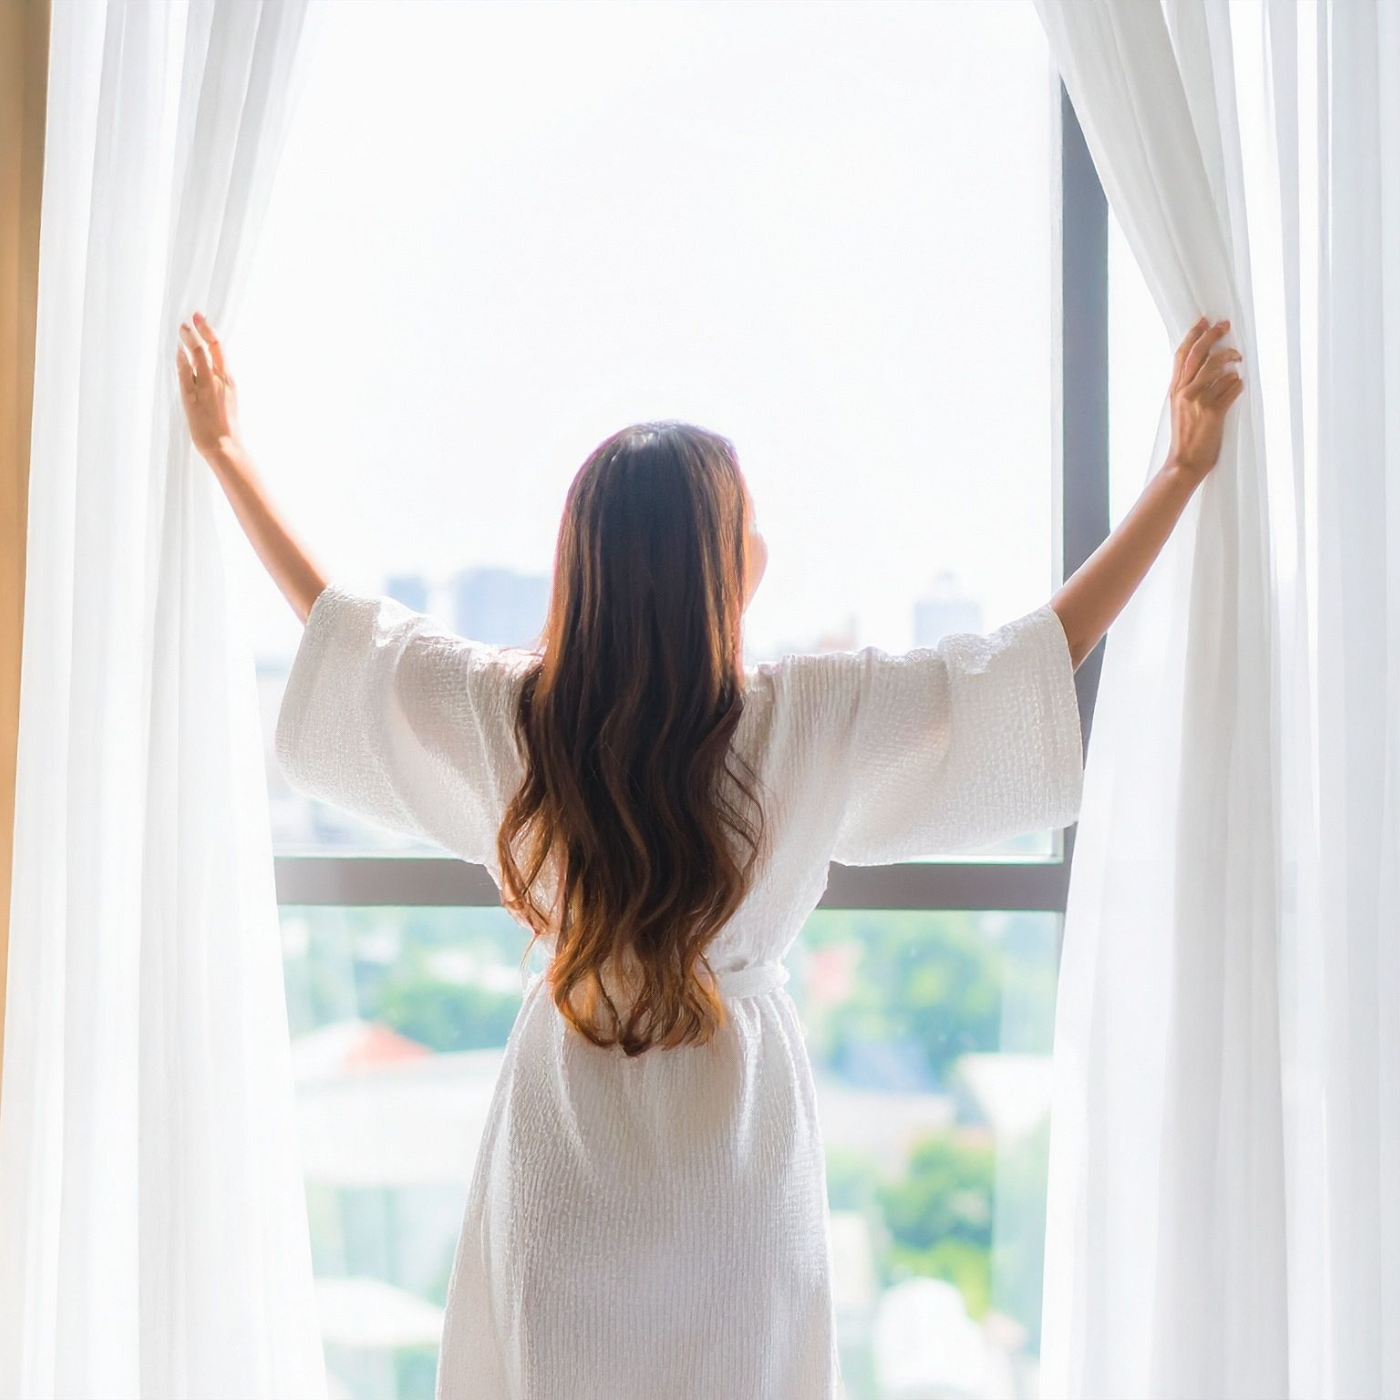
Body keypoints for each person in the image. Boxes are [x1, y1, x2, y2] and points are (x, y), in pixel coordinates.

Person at [175, 310, 1243, 1400]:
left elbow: (346, 636)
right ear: (715, 563)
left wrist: (226, 454)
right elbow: (1028, 660)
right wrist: (1179, 470)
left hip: (565, 1159)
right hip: (737, 1164)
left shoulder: (518, 716)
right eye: (746, 524)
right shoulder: (806, 716)